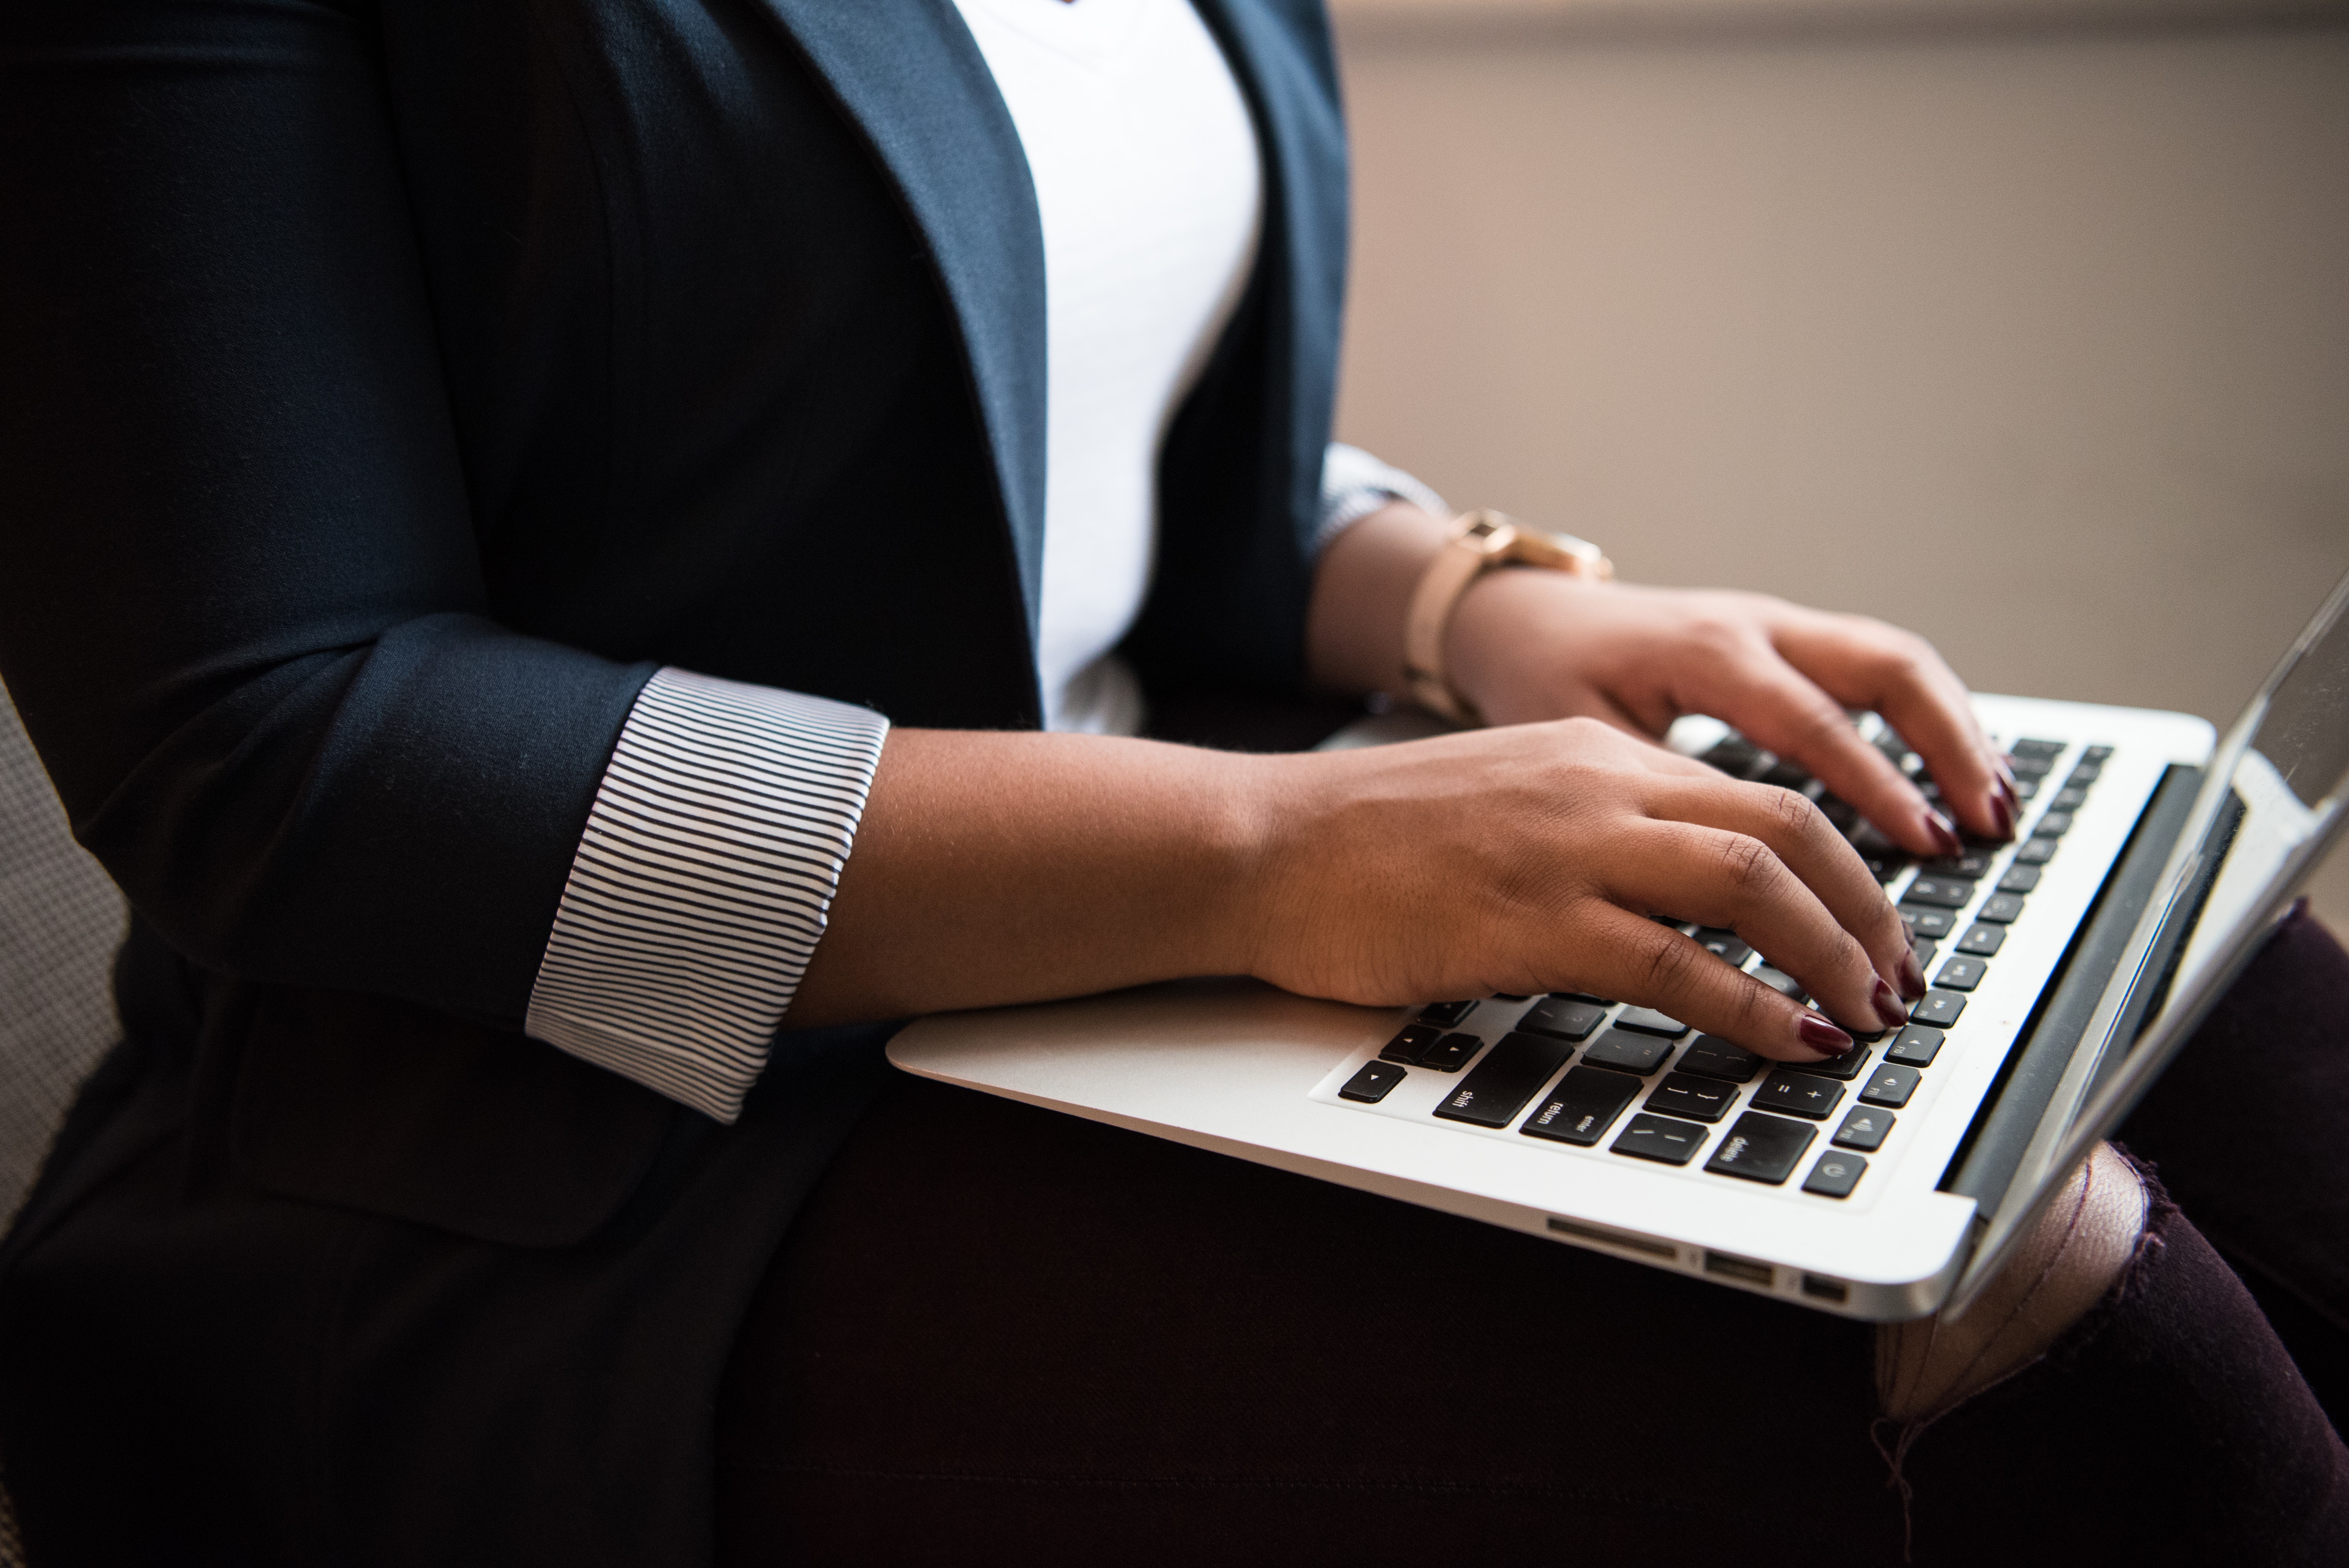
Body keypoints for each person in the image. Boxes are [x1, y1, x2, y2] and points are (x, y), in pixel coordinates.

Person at [0, 0, 2341, 1561]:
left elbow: (1042, 398)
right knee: (2065, 1333)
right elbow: (270, 736)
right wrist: (1278, 849)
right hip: (537, 1166)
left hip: (1153, 962)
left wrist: (1475, 605)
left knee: (2223, 1010)